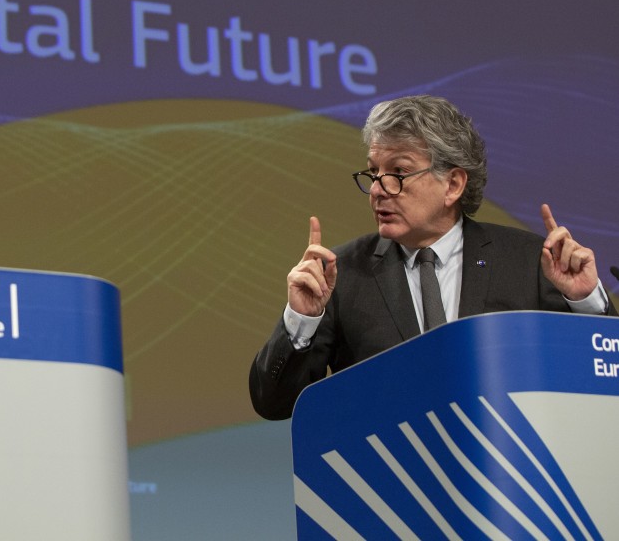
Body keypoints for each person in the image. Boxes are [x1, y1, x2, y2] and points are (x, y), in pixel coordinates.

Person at [249, 95, 615, 420]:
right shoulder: (341, 274)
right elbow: (274, 403)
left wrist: (587, 302)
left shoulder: (530, 261)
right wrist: (301, 321)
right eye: (374, 172)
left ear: (453, 184)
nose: (377, 189)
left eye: (399, 172)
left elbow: (605, 382)